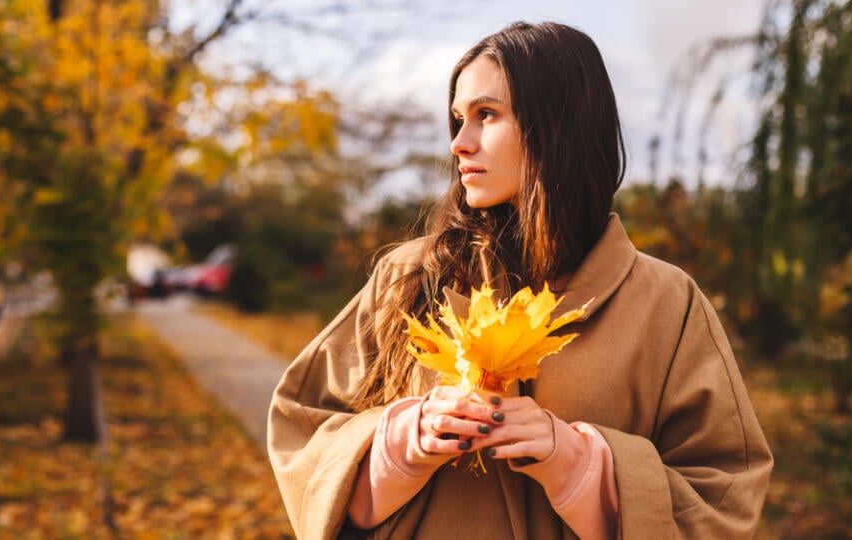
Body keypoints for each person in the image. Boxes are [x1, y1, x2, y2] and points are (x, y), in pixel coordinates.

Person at [267, 21, 773, 539]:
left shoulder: (667, 302)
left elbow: (724, 492)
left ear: (559, 124)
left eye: (486, 115)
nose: (460, 143)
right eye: (458, 119)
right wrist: (399, 444)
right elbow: (302, 432)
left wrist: (582, 465)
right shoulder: (407, 277)